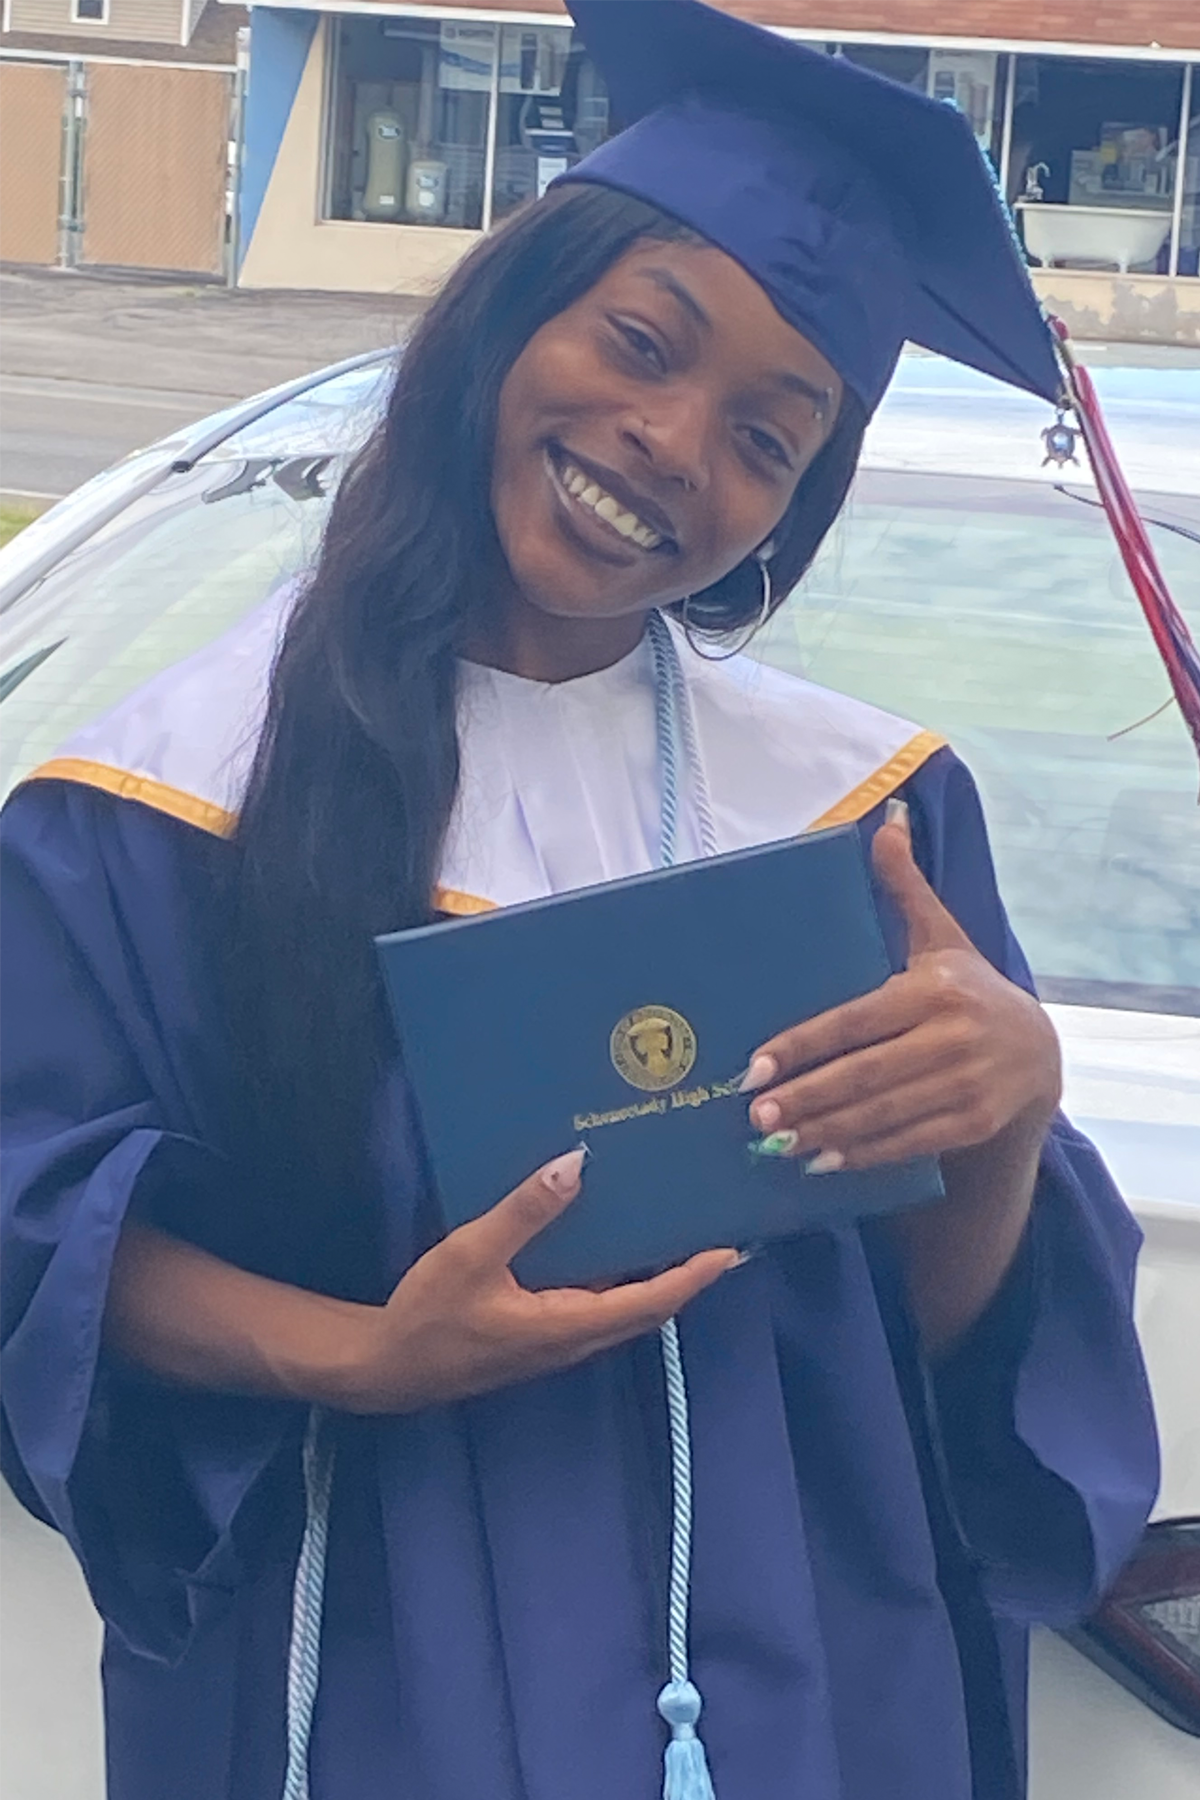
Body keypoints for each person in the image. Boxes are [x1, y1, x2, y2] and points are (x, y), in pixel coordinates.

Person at [1, 4, 1157, 1797]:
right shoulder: (160, 807)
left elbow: (928, 1350)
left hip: (796, 1686)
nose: (676, 444)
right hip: (360, 1654)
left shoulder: (868, 819)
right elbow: (38, 1237)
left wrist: (1008, 1114)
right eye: (640, 341)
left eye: (771, 438)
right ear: (501, 320)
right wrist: (366, 1356)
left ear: (792, 511)